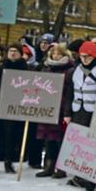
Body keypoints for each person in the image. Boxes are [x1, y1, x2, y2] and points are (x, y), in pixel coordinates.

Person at [61, 41, 96, 182]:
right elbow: (70, 94)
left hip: (95, 114)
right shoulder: (74, 70)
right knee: (79, 145)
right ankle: (79, 175)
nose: (84, 59)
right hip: (78, 111)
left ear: (94, 56)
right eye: (82, 56)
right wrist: (67, 113)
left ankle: (91, 178)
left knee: (94, 147)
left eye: (88, 57)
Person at [0, 44, 30, 174]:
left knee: (12, 135)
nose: (13, 53)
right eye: (10, 51)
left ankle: (9, 162)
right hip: (0, 106)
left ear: (20, 54)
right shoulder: (0, 68)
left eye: (15, 51)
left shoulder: (26, 68)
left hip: (17, 107)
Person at [35, 44, 74, 177]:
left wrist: (67, 110)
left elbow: (70, 92)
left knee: (61, 139)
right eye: (54, 54)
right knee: (49, 138)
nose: (56, 56)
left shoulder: (69, 70)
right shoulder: (46, 69)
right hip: (48, 107)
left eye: (59, 54)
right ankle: (49, 166)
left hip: (62, 108)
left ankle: (61, 168)